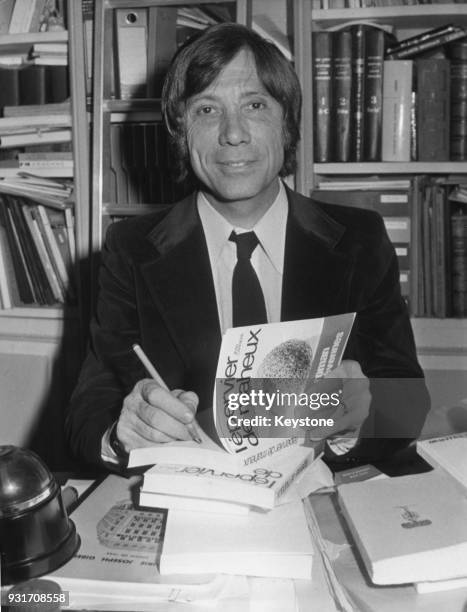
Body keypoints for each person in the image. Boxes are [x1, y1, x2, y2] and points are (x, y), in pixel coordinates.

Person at [65, 23, 429, 469]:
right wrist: (122, 433)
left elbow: (407, 398)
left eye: (254, 105)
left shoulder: (360, 239)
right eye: (206, 110)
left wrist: (355, 424)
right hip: (192, 509)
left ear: (287, 121)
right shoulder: (130, 250)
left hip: (320, 499)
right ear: (181, 133)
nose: (232, 134)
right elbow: (87, 412)